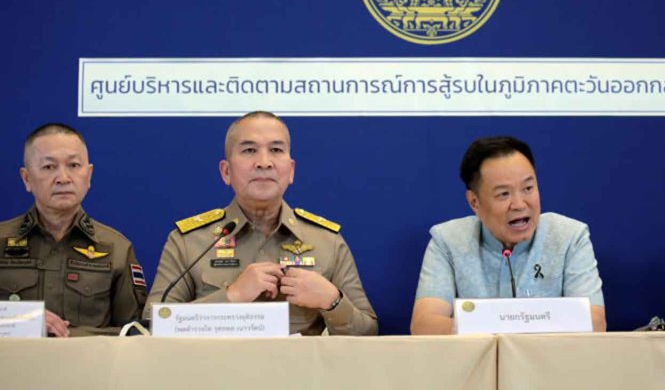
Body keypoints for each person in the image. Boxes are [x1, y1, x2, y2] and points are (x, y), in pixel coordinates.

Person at [146, 111, 377, 335]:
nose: (264, 162)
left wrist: (332, 301)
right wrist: (232, 296)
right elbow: (153, 325)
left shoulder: (327, 241)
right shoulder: (189, 241)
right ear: (226, 172)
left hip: (301, 372)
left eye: (276, 150)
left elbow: (368, 332)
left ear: (291, 171)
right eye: (249, 150)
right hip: (214, 371)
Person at [410, 136, 606, 334]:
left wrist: (486, 325)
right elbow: (424, 325)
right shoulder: (448, 241)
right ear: (474, 202)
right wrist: (517, 324)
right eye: (504, 194)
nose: (520, 204)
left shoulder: (569, 237)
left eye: (528, 188)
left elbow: (595, 323)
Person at [0, 123, 147, 337]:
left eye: (74, 165)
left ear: (89, 175)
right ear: (27, 178)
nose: (63, 178)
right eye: (49, 167)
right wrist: (22, 320)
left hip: (89, 368)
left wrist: (73, 336)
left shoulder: (117, 248)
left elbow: (134, 332)